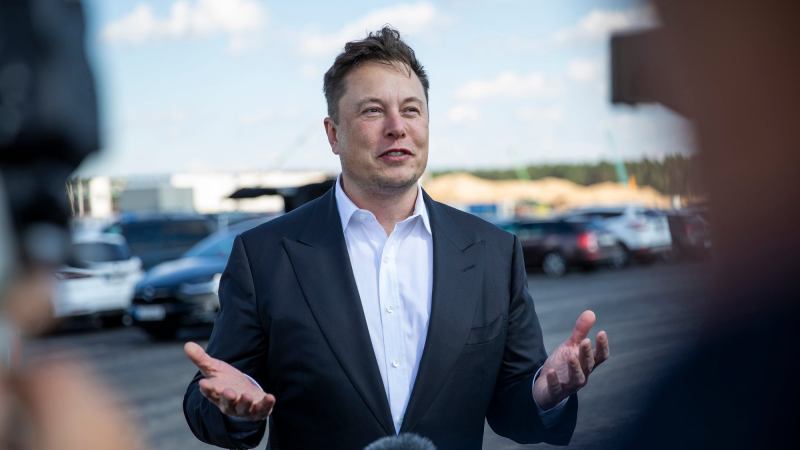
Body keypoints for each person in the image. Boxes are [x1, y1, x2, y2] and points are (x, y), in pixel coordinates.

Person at [183, 27, 609, 450]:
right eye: (373, 111)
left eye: (411, 110)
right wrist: (231, 409)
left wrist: (546, 392)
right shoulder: (264, 256)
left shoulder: (493, 252)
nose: (397, 127)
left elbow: (513, 406)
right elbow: (212, 396)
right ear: (333, 134)